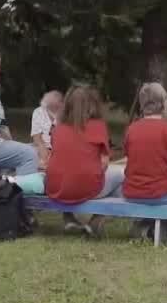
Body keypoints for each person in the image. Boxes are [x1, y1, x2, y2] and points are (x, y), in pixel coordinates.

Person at [45, 86, 123, 237]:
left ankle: (69, 218)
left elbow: (56, 157)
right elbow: (104, 163)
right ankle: (97, 218)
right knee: (121, 176)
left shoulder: (58, 129)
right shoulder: (98, 126)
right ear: (93, 105)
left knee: (65, 175)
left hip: (55, 187)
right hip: (87, 188)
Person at [123, 82, 167, 240]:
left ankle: (145, 224)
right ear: (164, 102)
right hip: (161, 193)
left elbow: (131, 159)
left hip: (132, 192)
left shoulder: (131, 129)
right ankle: (165, 229)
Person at [30, 90, 63, 170]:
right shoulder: (38, 112)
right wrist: (43, 149)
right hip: (42, 147)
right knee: (27, 151)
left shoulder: (67, 113)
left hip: (61, 148)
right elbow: (36, 137)